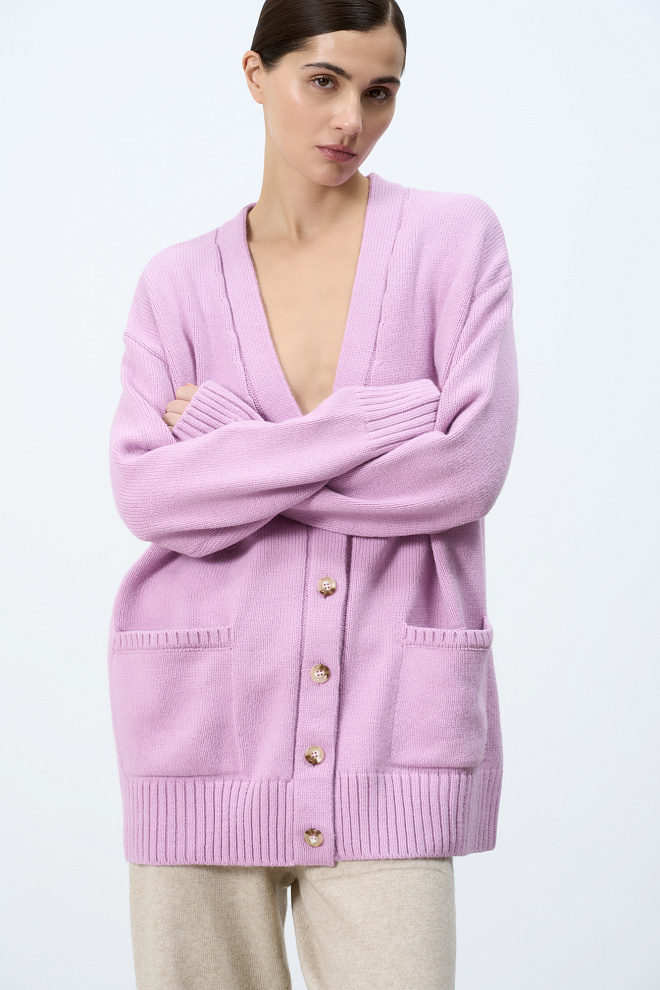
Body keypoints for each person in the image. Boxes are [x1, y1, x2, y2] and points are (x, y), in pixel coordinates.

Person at [107, 1, 519, 987]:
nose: (350, 121)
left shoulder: (453, 241)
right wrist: (380, 425)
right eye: (323, 81)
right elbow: (148, 496)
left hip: (389, 737)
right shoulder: (175, 284)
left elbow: (465, 470)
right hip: (203, 737)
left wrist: (228, 445)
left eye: (380, 92)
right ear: (256, 75)